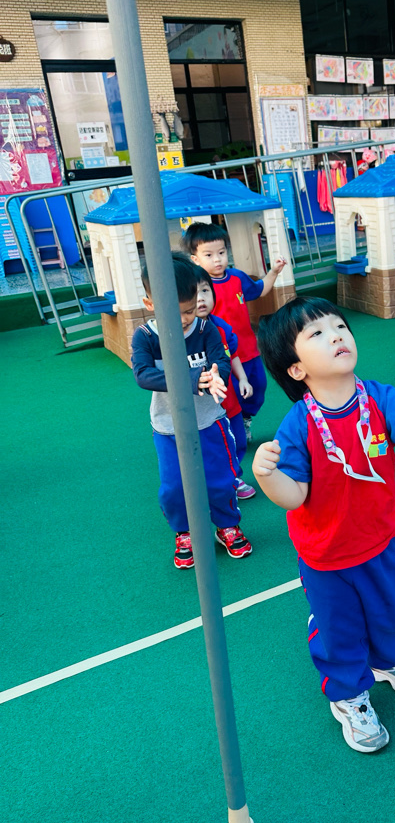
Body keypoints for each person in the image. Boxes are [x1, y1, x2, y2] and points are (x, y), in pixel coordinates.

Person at [253, 296, 395, 753]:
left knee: (389, 610)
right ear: (296, 369)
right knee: (338, 629)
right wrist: (267, 476)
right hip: (326, 556)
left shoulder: (380, 397)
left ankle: (388, 661)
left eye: (339, 326)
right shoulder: (297, 426)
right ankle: (347, 696)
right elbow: (293, 496)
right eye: (317, 334)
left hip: (383, 540)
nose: (336, 336)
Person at [130, 252, 252, 568]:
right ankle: (184, 532)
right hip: (168, 428)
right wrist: (194, 378)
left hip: (210, 422)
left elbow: (221, 358)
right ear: (150, 304)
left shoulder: (204, 329)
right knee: (173, 487)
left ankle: (227, 525)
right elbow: (143, 375)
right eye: (175, 312)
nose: (185, 319)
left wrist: (218, 373)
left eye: (189, 309)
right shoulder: (145, 337)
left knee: (220, 481)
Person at [182, 222, 285, 441]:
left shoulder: (236, 277)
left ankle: (246, 417)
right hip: (223, 355)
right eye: (209, 255)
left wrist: (274, 272)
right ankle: (231, 428)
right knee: (230, 394)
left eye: (221, 252)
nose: (217, 259)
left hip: (248, 349)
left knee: (258, 386)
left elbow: (260, 290)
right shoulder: (198, 288)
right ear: (195, 259)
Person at [194, 266, 257, 499]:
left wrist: (243, 379)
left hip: (229, 401)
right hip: (204, 406)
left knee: (237, 440)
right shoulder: (185, 334)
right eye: (193, 294)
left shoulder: (221, 326)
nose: (200, 299)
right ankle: (214, 480)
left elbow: (233, 354)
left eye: (205, 291)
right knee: (211, 445)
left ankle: (234, 477)